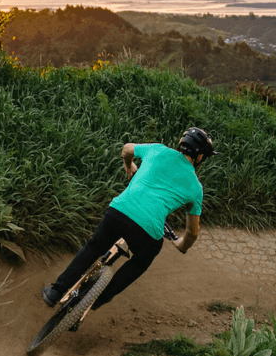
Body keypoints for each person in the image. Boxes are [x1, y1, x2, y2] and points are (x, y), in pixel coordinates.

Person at [41, 127, 218, 311]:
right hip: (147, 232)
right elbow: (192, 232)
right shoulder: (196, 188)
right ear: (199, 157)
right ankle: (98, 299)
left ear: (182, 144)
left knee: (94, 247)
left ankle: (56, 291)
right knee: (140, 262)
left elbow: (127, 149)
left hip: (118, 212)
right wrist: (182, 245)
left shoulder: (158, 149)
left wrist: (129, 165)